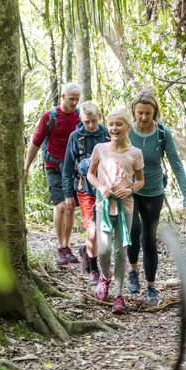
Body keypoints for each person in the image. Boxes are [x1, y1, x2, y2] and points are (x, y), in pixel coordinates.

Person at [127, 90, 186, 304]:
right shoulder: (126, 131)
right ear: (133, 112)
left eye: (148, 113)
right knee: (133, 230)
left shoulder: (162, 133)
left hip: (154, 191)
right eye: (140, 113)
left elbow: (176, 165)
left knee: (149, 237)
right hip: (129, 190)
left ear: (155, 112)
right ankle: (133, 271)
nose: (144, 118)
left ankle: (151, 286)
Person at [87, 107, 144, 314]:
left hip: (125, 208)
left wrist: (129, 190)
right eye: (111, 124)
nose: (114, 128)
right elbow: (90, 175)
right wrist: (101, 187)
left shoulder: (135, 153)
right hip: (103, 206)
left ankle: (119, 294)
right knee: (104, 250)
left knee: (120, 252)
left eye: (119, 124)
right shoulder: (100, 149)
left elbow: (140, 181)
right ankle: (104, 277)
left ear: (128, 127)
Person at [24, 82, 81, 266]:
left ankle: (67, 246)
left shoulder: (79, 117)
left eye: (77, 100)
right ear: (63, 97)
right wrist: (26, 168)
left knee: (71, 207)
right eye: (71, 99)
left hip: (73, 168)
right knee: (61, 207)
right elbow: (35, 143)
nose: (74, 103)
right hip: (54, 166)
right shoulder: (50, 117)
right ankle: (60, 247)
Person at [62, 101, 109, 286]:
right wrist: (68, 195)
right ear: (80, 119)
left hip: (105, 190)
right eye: (86, 121)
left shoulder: (107, 134)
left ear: (100, 116)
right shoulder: (75, 137)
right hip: (84, 190)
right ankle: (94, 270)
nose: (90, 125)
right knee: (92, 229)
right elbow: (67, 169)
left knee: (104, 230)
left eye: (93, 121)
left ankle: (87, 253)